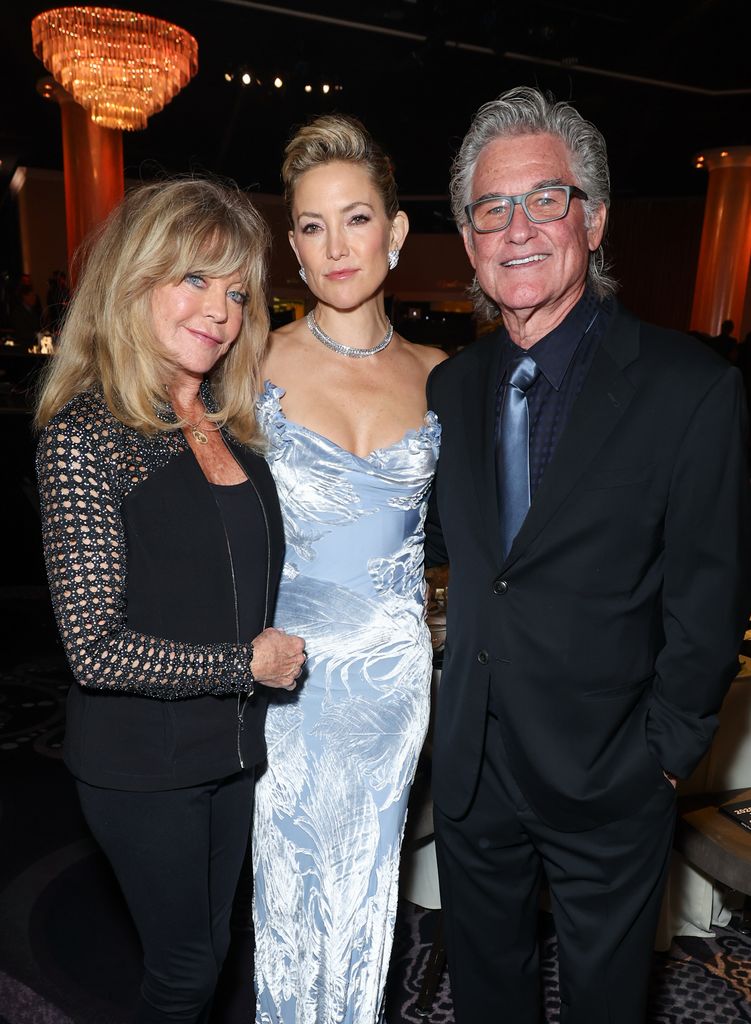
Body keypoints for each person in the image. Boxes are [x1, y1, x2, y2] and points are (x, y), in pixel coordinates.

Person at [425, 86, 750, 1024]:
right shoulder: (450, 388)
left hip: (610, 773)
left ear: (595, 219)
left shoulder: (689, 389)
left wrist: (662, 756)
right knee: (487, 991)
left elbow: (708, 593)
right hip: (473, 760)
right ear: (469, 236)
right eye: (490, 207)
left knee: (606, 1001)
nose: (515, 228)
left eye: (544, 199)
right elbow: (459, 551)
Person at [34, 178, 306, 1024]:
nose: (219, 311)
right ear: (134, 280)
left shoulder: (227, 421)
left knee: (215, 952)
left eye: (235, 292)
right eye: (194, 280)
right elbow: (95, 649)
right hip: (143, 764)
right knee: (185, 973)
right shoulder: (89, 433)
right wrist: (244, 664)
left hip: (231, 751)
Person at [252, 114, 446, 1023]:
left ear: (396, 232)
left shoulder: (444, 377)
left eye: (356, 219)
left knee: (367, 901)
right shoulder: (251, 365)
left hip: (393, 687)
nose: (336, 246)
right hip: (288, 680)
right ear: (292, 245)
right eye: (313, 226)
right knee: (288, 902)